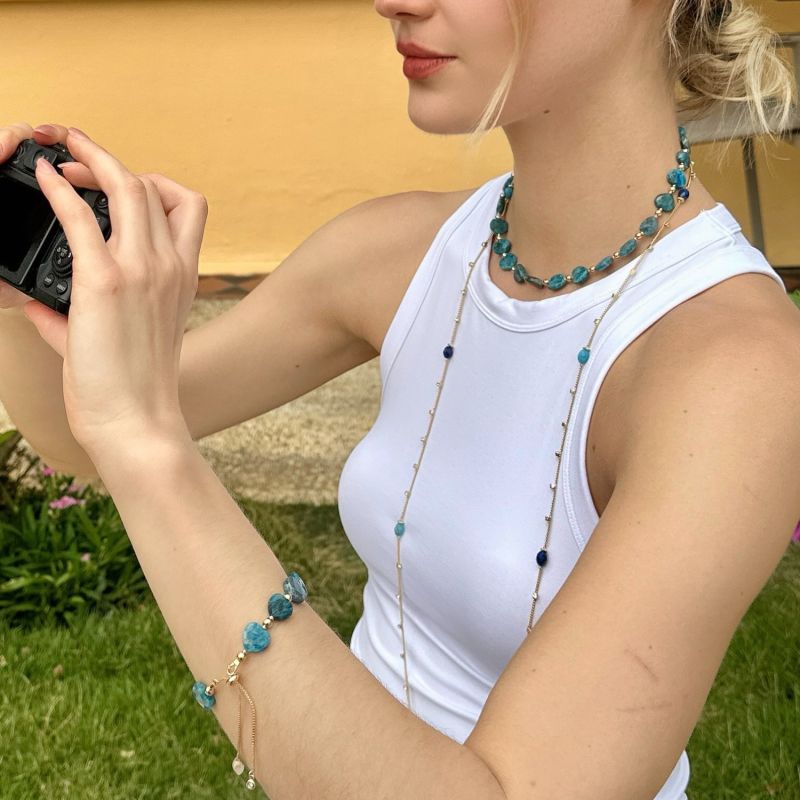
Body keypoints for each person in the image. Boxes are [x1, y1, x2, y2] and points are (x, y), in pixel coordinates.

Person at [0, 1, 797, 798]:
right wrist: (17, 276)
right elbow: (76, 437)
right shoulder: (399, 252)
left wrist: (148, 446)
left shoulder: (739, 374)